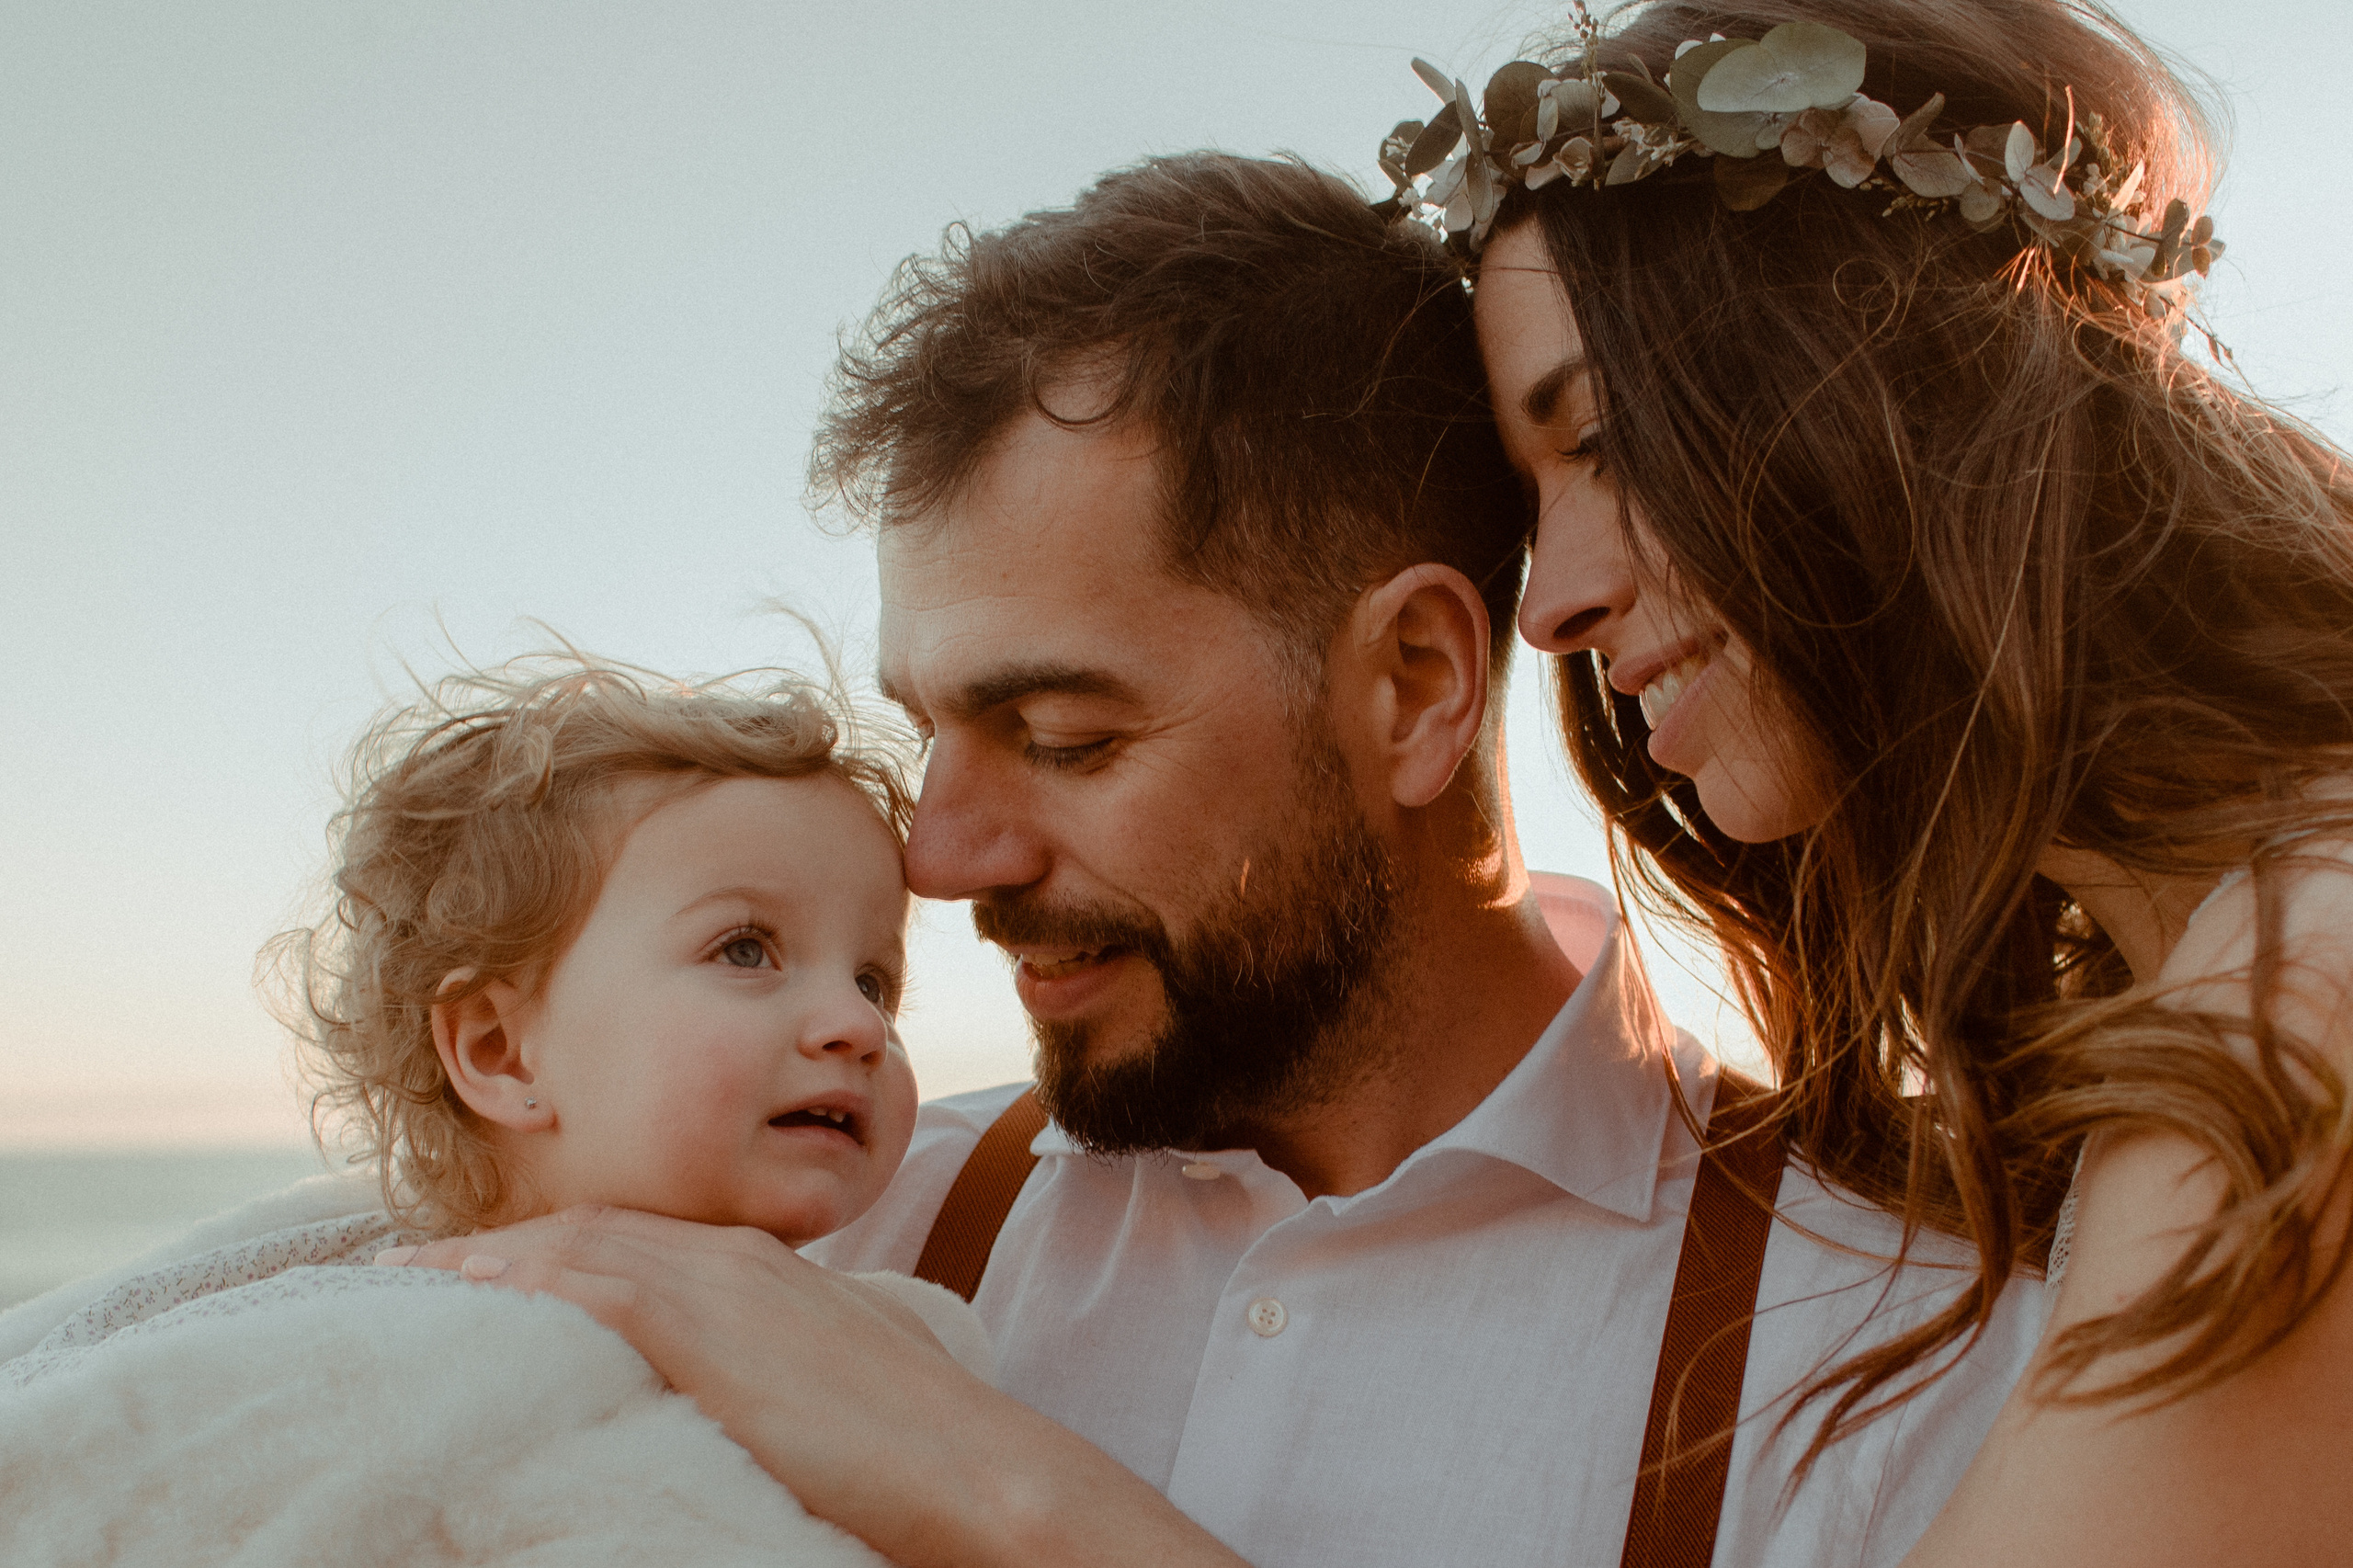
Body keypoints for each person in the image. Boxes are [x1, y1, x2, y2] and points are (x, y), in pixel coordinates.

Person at [374, 155, 2048, 1568]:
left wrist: (1005, 1494)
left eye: (1062, 733)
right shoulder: (795, 1224)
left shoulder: (1907, 1350)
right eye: (929, 735)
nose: (939, 859)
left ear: (1413, 688)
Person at [1432, 1, 2353, 1563]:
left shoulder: (2290, 1016)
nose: (1551, 605)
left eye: (1605, 435)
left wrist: (1001, 1494)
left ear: (1891, 372)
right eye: (1537, 503)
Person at [0, 655, 991, 1565]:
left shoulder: (879, 1357)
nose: (853, 1023)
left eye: (874, 977)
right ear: (499, 1049)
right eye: (745, 948)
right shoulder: (404, 1342)